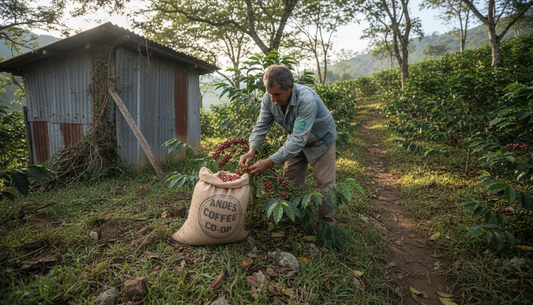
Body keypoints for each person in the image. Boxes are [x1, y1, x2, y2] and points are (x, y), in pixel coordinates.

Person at [238, 64, 337, 225]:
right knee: (290, 179)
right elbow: (261, 126)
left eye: (276, 94)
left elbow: (299, 140)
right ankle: (291, 216)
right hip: (296, 139)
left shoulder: (307, 100)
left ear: (290, 87)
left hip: (320, 140)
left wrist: (269, 162)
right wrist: (252, 150)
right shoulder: (269, 98)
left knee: (325, 185)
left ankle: (327, 224)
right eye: (269, 93)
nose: (272, 99)